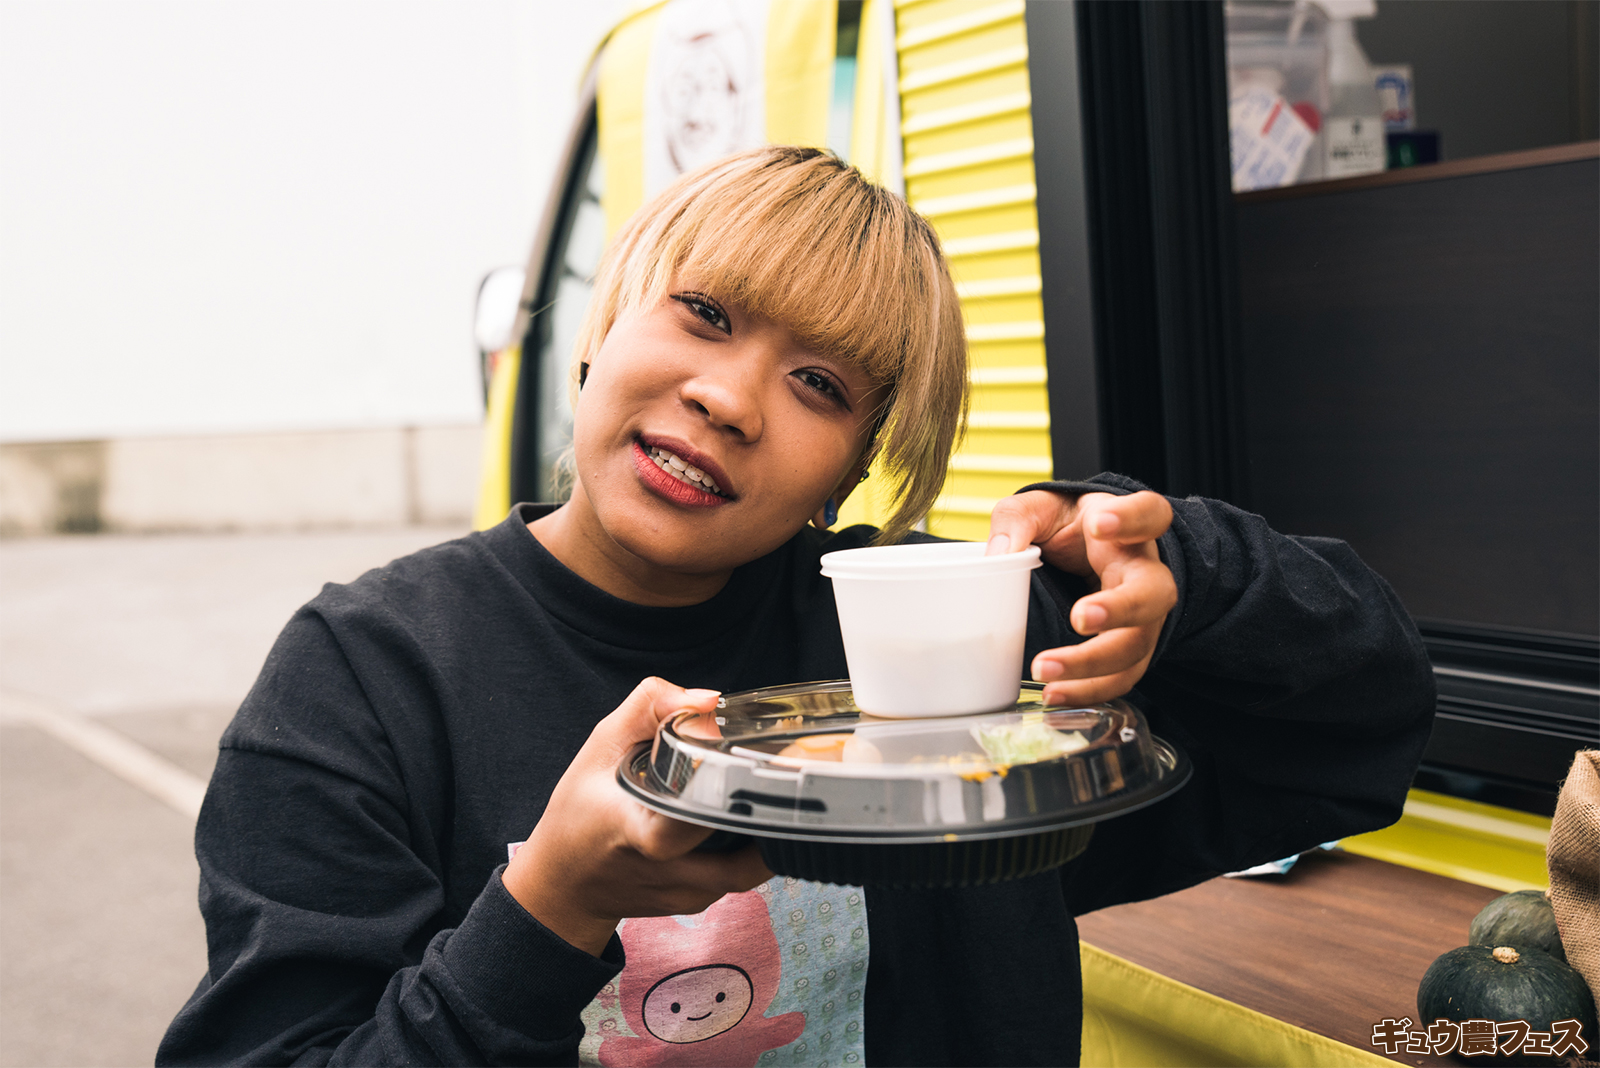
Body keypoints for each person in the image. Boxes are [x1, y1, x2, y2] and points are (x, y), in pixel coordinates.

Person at [157, 146, 1435, 1067]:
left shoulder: (947, 650)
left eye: (819, 384)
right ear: (603, 325)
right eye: (703, 314)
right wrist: (548, 907)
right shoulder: (367, 674)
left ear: (850, 474)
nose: (728, 398)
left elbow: (1362, 723)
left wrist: (1174, 569)